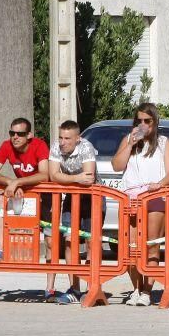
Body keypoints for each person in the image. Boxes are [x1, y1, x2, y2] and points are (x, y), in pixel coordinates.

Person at [111, 103, 169, 307]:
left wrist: (159, 185)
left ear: (155, 122)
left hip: (154, 196)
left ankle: (147, 290)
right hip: (130, 197)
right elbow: (116, 165)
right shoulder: (129, 140)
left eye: (147, 121)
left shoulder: (165, 143)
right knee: (131, 247)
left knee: (151, 245)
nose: (142, 125)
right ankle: (136, 288)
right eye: (138, 121)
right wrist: (130, 144)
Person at [0, 118, 51, 295]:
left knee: (51, 242)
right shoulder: (7, 146)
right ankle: (1, 248)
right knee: (1, 201)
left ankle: (50, 288)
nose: (15, 137)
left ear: (29, 135)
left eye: (20, 134)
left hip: (44, 194)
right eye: (12, 133)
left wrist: (18, 182)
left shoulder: (39, 145)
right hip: (21, 192)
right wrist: (11, 183)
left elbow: (45, 175)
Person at [47, 120, 101, 305]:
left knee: (91, 242)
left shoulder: (86, 147)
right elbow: (53, 175)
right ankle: (74, 289)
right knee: (69, 241)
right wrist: (76, 178)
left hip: (93, 197)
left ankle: (92, 286)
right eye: (61, 137)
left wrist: (67, 179)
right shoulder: (55, 146)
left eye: (67, 138)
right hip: (72, 196)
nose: (62, 142)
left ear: (77, 139)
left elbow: (89, 177)